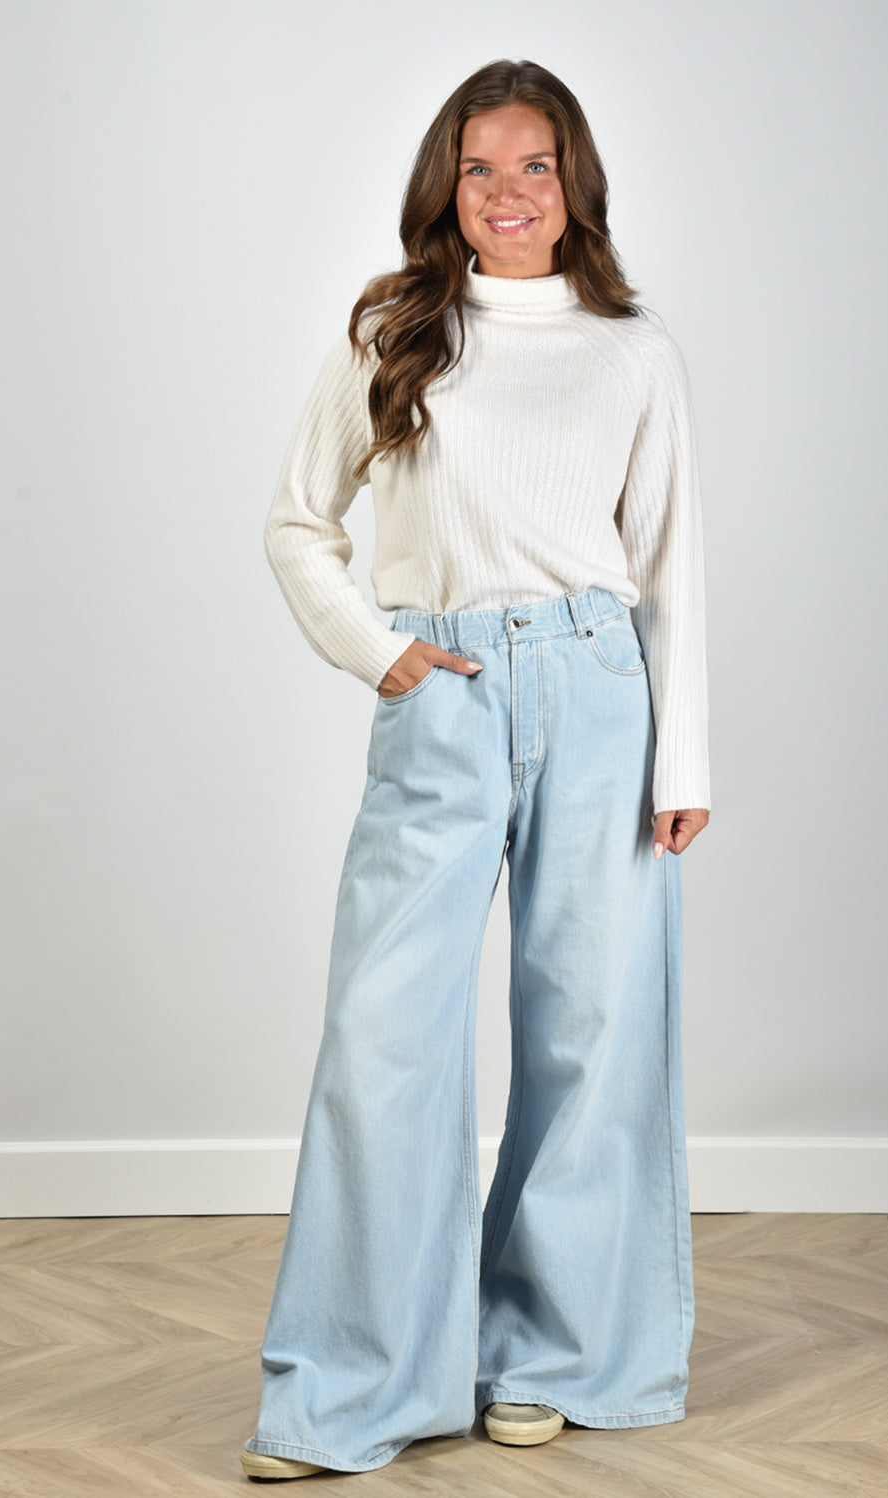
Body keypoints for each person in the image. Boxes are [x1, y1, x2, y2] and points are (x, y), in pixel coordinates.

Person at [240, 57, 710, 1482]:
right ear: (447, 186)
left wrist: (683, 756)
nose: (509, 193)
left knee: (591, 1032)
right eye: (480, 168)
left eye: (535, 165)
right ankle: (347, 1388)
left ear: (576, 185)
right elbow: (298, 522)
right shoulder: (396, 329)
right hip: (439, 688)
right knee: (385, 1035)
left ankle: (556, 1354)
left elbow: (673, 562)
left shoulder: (631, 349)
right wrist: (378, 651)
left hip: (599, 688)